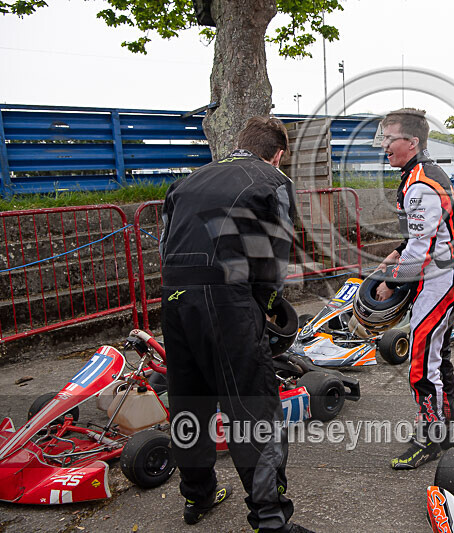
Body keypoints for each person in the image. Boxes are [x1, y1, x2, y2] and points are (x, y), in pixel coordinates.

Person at [160, 116, 313, 533]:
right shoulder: (272, 182)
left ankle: (197, 496)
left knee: (188, 402)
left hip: (174, 297)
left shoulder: (186, 182)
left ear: (238, 143)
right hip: (226, 298)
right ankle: (270, 518)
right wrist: (265, 306)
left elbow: (165, 243)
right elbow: (273, 255)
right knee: (251, 406)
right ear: (277, 154)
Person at [374, 108, 454, 470]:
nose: (384, 145)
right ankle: (442, 433)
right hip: (443, 274)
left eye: (389, 138)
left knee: (419, 364)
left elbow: (421, 248)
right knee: (436, 358)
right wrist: (393, 256)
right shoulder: (421, 173)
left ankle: (430, 438)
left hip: (439, 280)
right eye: (382, 138)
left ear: (411, 142)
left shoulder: (420, 182)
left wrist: (391, 280)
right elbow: (418, 236)